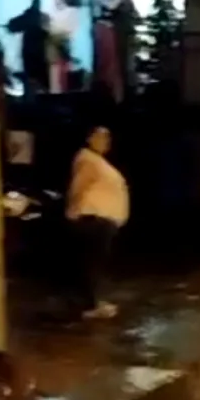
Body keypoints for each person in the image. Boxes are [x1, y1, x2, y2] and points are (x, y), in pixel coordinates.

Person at [66, 124, 129, 320]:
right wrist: (72, 210)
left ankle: (93, 302)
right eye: (100, 136)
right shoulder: (87, 158)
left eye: (108, 138)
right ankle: (90, 305)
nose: (105, 141)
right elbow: (77, 187)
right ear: (89, 138)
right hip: (93, 218)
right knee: (92, 263)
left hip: (103, 220)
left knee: (96, 263)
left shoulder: (99, 161)